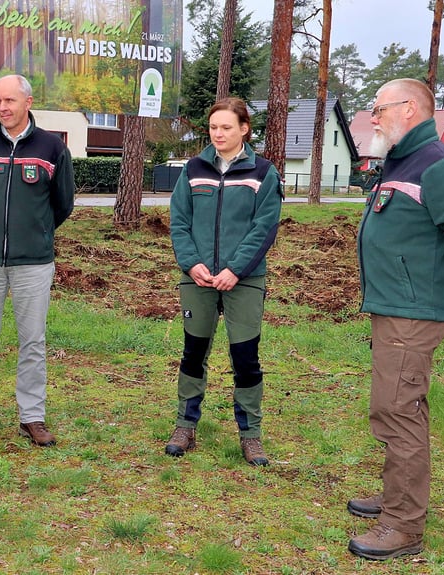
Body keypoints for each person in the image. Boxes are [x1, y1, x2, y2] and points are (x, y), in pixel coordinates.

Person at [346, 78, 444, 561]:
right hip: (396, 307)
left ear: (409, 109)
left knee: (397, 409)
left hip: (413, 312)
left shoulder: (439, 166)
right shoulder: (402, 162)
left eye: (378, 107)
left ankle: (404, 526)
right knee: (399, 406)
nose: (373, 116)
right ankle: (396, 498)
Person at [0, 74, 75, 447]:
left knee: (33, 342)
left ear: (28, 101)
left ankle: (32, 417)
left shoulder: (52, 148)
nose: (3, 107)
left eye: (10, 100)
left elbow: (63, 204)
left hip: (34, 263)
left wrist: (34, 232)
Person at [166, 97, 283, 466]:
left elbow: (264, 228)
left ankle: (250, 435)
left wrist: (236, 269)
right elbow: (179, 222)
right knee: (193, 353)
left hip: (243, 280)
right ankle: (186, 426)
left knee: (245, 357)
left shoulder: (264, 173)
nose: (218, 133)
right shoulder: (193, 169)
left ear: (244, 129)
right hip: (197, 279)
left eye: (227, 127)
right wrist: (191, 263)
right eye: (214, 127)